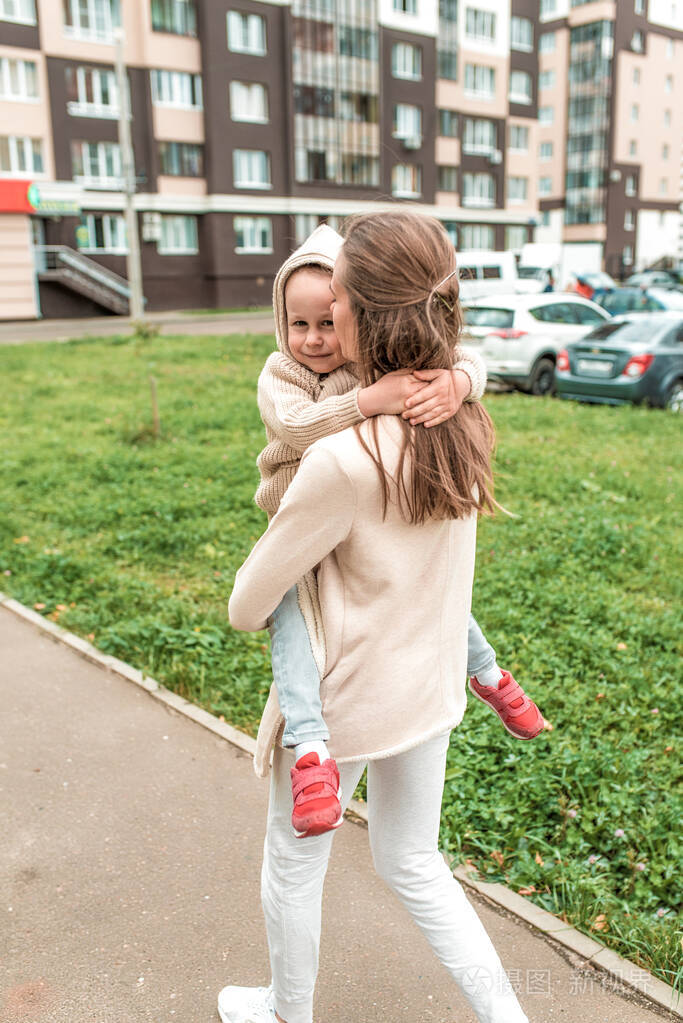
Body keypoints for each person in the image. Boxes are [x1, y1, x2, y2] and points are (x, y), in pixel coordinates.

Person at [220, 211, 531, 1023]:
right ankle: (508, 1017)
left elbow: (248, 604)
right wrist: (461, 378)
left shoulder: (340, 458)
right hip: (428, 690)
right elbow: (468, 371)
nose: (327, 317)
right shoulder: (461, 417)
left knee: (293, 864)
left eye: (342, 298)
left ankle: (287, 1011)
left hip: (346, 700)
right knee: (412, 860)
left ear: (364, 313)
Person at [254, 225, 545, 838]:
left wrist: (457, 384)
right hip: (296, 516)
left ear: (356, 309)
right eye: (298, 324)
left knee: (440, 597)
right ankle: (310, 747)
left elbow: (464, 356)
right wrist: (370, 401)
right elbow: (300, 428)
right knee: (292, 621)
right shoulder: (282, 375)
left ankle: (490, 675)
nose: (314, 338)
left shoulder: (371, 364)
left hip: (340, 516)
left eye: (329, 319)